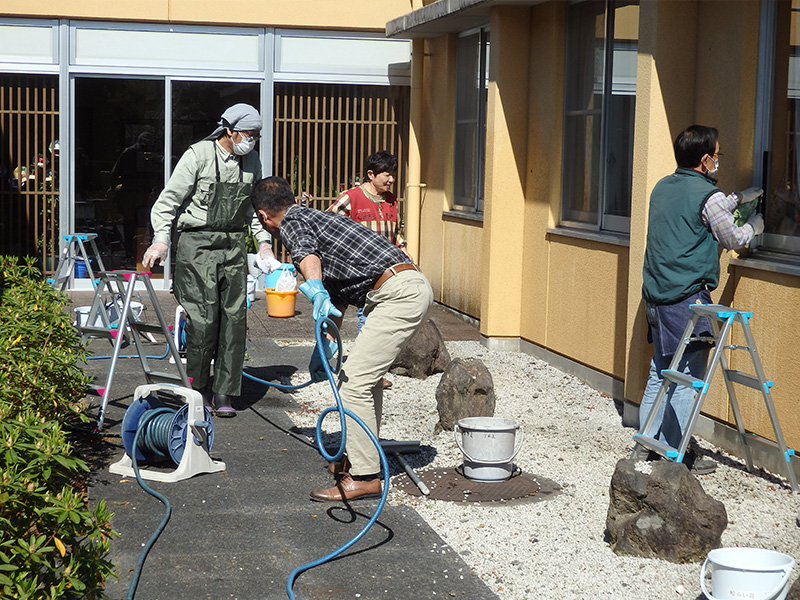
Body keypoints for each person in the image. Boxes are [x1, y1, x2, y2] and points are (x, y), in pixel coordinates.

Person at [251, 175, 433, 501]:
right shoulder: (317, 219)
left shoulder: (293, 221)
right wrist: (322, 346)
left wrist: (314, 286)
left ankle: (365, 477)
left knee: (354, 385)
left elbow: (308, 258)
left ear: (264, 216)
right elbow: (337, 301)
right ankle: (361, 456)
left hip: (397, 293)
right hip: (401, 288)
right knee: (367, 380)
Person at [638, 124, 764, 473]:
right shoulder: (707, 197)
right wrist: (755, 226)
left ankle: (646, 446)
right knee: (688, 377)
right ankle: (673, 458)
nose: (718, 160)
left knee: (660, 371)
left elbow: (698, 210)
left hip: (656, 294)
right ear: (705, 159)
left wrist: (738, 197)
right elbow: (732, 236)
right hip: (685, 298)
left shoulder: (663, 187)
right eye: (717, 155)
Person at [142, 103, 278, 417]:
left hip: (232, 244)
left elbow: (252, 210)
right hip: (197, 243)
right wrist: (161, 240)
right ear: (229, 130)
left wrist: (265, 245)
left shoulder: (252, 161)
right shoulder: (198, 156)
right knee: (203, 320)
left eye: (257, 135)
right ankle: (198, 388)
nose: (252, 140)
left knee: (234, 319)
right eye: (249, 134)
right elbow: (168, 203)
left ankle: (225, 392)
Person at [327, 150, 410, 390]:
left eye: (393, 175)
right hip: (348, 269)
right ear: (371, 174)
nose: (391, 179)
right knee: (334, 314)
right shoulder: (351, 197)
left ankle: (368, 372)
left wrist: (402, 248)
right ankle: (324, 363)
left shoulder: (392, 200)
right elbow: (328, 224)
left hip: (381, 272)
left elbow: (397, 232)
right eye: (387, 175)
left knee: (372, 318)